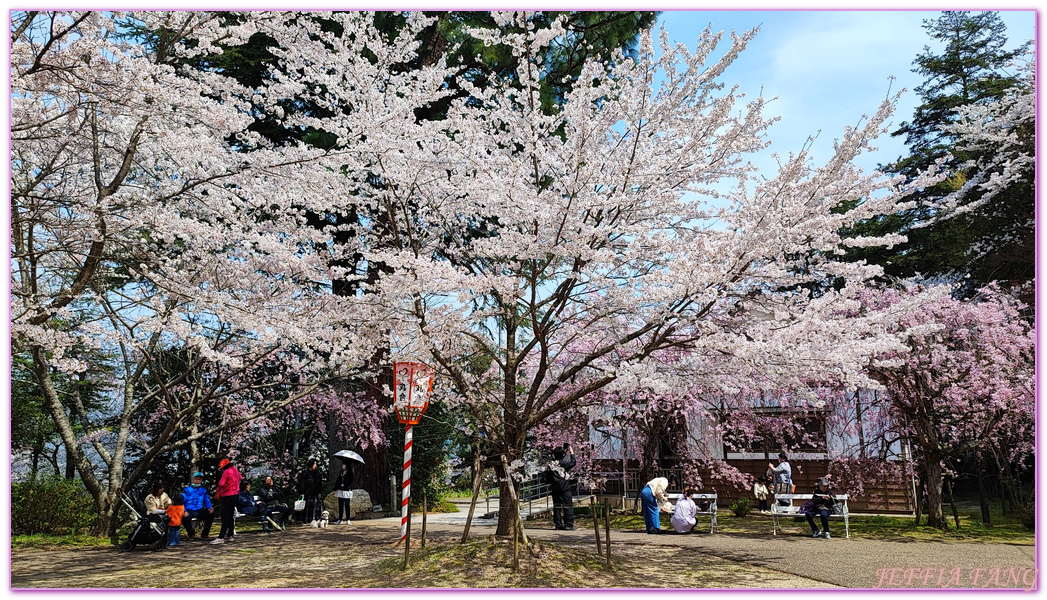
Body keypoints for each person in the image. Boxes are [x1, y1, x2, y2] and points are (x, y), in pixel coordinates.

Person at [546, 443, 576, 531]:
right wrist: (571, 453)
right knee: (568, 505)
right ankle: (568, 524)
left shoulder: (551, 465)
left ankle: (558, 525)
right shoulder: (564, 464)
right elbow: (573, 463)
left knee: (557, 506)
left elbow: (547, 477)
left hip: (555, 488)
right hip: (564, 488)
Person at [212, 457, 242, 544]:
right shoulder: (235, 470)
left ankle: (221, 536)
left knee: (225, 516)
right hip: (235, 495)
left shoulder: (226, 472)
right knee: (230, 515)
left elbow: (221, 483)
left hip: (228, 496)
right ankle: (230, 534)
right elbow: (240, 477)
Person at [183, 472, 215, 539]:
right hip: (189, 510)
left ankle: (205, 534)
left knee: (211, 514)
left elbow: (207, 501)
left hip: (199, 510)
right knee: (184, 518)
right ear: (193, 479)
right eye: (196, 479)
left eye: (199, 479)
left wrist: (210, 507)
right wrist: (184, 510)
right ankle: (191, 533)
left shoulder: (204, 490)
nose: (197, 481)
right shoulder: (186, 490)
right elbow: (181, 501)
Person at [297, 458, 323, 526]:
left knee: (315, 508)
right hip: (307, 493)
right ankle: (304, 520)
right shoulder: (305, 473)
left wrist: (320, 492)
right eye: (314, 464)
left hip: (315, 493)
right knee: (306, 507)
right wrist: (301, 492)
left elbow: (320, 483)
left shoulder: (317, 473)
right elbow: (302, 483)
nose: (315, 465)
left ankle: (315, 520)